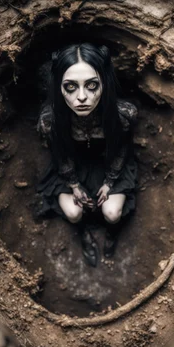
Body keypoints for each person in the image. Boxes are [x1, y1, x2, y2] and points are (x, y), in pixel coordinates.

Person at [36, 43, 138, 267]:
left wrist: (110, 182)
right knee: (73, 213)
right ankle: (83, 233)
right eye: (70, 87)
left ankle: (111, 233)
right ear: (58, 87)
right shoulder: (49, 120)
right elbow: (59, 153)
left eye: (92, 85)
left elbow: (122, 148)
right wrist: (73, 185)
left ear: (105, 83)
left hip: (108, 162)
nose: (82, 97)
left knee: (112, 213)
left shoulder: (123, 115)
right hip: (72, 165)